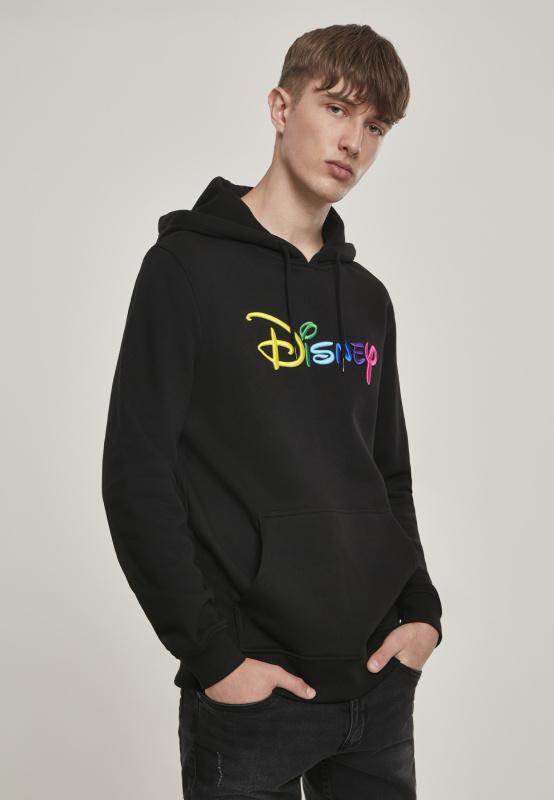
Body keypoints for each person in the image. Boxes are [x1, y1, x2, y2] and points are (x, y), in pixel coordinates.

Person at [101, 22, 443, 799]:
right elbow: (136, 479)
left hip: (376, 684)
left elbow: (387, 474)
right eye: (337, 108)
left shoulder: (367, 299)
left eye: (376, 127)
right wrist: (214, 658)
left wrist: (420, 610)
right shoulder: (184, 270)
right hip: (253, 696)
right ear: (282, 107)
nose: (353, 141)